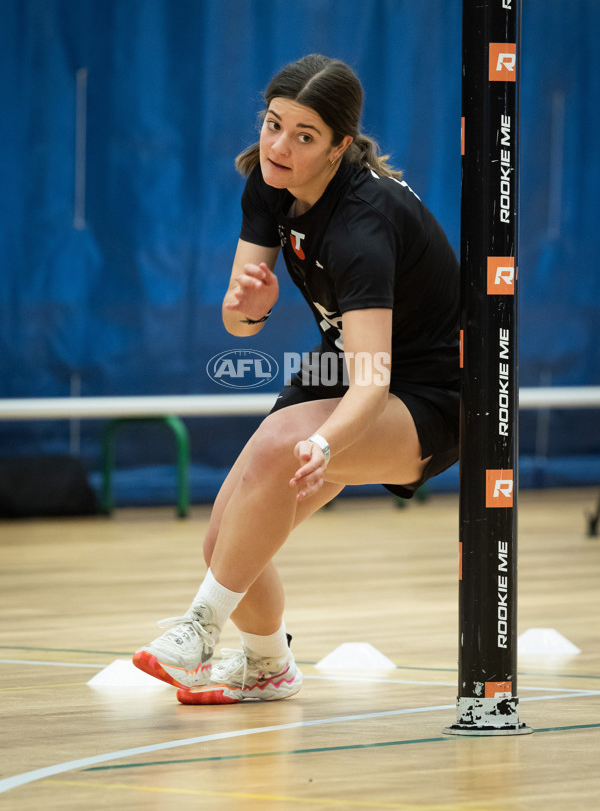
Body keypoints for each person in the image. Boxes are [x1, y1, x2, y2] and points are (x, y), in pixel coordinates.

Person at [133, 54, 460, 705]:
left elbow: (373, 381)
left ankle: (200, 629)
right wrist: (249, 309)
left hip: (431, 393)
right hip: (342, 363)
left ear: (340, 147)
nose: (279, 146)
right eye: (273, 124)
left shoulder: (362, 227)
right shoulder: (267, 182)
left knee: (283, 444)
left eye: (304, 135)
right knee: (224, 541)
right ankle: (267, 665)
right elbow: (237, 316)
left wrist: (328, 444)